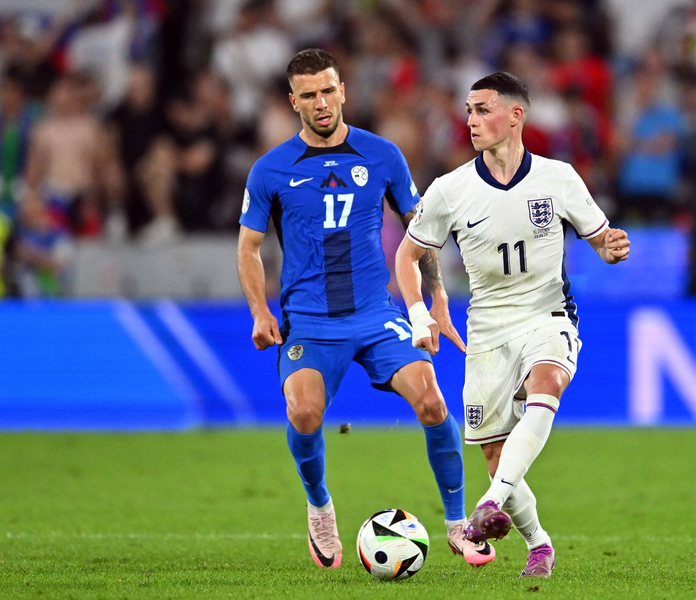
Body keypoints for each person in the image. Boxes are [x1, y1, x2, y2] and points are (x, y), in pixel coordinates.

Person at [237, 48, 494, 570]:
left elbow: (422, 230)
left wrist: (435, 296)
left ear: (343, 90)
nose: (321, 102)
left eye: (328, 90)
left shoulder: (382, 155)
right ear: (293, 102)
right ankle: (319, 507)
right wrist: (260, 312)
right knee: (304, 412)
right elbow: (247, 247)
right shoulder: (270, 170)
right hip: (310, 320)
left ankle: (456, 522)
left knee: (432, 403)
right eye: (308, 95)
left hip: (377, 314)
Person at [396, 72, 630, 578]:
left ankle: (490, 502)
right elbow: (406, 255)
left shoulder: (559, 178)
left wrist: (611, 248)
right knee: (497, 450)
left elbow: (601, 238)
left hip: (547, 315)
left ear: (515, 115)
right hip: (486, 330)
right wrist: (421, 312)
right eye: (469, 111)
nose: (472, 120)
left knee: (547, 382)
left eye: (483, 110)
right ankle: (539, 543)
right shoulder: (449, 190)